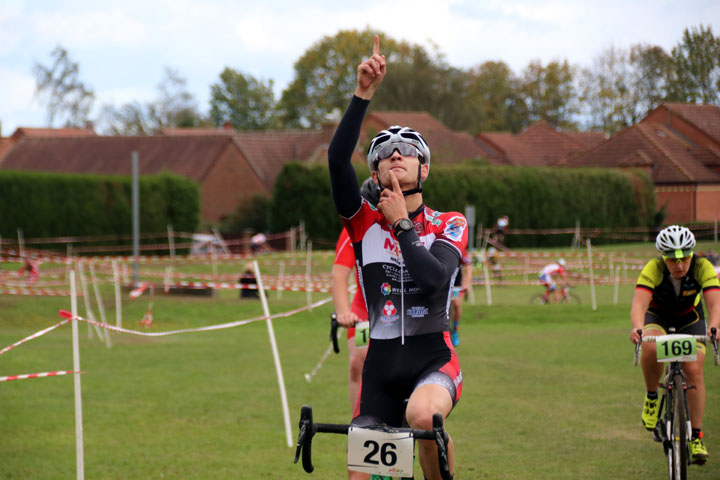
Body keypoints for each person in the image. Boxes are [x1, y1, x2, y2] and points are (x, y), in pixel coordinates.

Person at [328, 35, 466, 480]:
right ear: (376, 173)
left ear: (424, 169)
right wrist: (362, 94)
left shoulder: (449, 223)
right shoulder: (363, 223)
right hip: (381, 372)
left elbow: (435, 279)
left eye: (408, 151)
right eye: (385, 154)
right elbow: (335, 161)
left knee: (425, 419)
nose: (396, 155)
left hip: (433, 361)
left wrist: (404, 226)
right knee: (358, 473)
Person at [630, 225, 720, 465]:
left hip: (690, 318)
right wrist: (638, 328)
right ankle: (651, 397)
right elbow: (639, 304)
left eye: (684, 258)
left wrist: (715, 327)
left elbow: (714, 303)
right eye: (672, 259)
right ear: (663, 257)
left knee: (694, 369)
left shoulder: (703, 267)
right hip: (657, 317)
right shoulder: (654, 268)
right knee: (650, 346)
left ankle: (697, 436)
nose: (679, 265)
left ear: (691, 254)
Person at [331, 177, 380, 411]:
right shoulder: (354, 229)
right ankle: (358, 422)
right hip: (364, 314)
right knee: (358, 360)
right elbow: (340, 274)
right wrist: (343, 312)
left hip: (400, 310)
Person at [449, 253, 471, 347]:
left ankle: (455, 330)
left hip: (456, 284)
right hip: (441, 281)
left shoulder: (460, 247)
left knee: (456, 304)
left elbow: (468, 268)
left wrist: (466, 283)